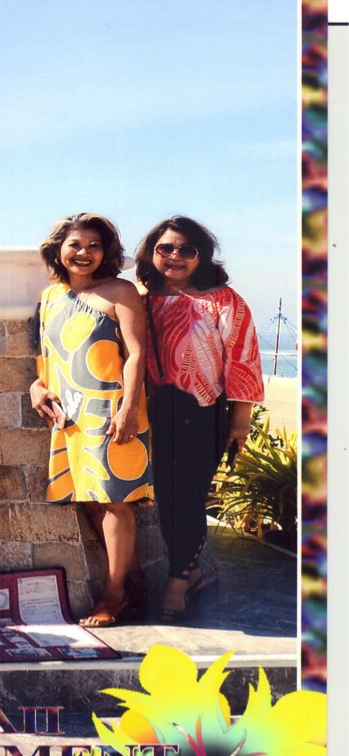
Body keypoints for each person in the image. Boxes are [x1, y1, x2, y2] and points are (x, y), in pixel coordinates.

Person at [135, 216, 264, 623]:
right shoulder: (140, 299)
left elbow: (243, 359)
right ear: (151, 253)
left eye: (185, 250)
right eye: (165, 249)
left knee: (188, 500)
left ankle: (176, 583)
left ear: (201, 256)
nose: (174, 257)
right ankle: (188, 574)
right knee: (167, 499)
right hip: (155, 411)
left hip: (203, 411)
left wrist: (239, 421)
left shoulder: (224, 300)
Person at [30, 213, 153, 627]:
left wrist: (128, 409)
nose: (84, 253)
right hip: (70, 416)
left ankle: (113, 596)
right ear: (58, 250)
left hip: (112, 409)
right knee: (89, 502)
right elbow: (45, 358)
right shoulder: (49, 298)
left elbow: (137, 354)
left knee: (115, 501)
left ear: (106, 252)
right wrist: (36, 388)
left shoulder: (120, 291)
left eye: (94, 246)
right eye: (75, 245)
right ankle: (136, 586)